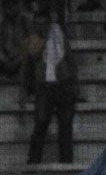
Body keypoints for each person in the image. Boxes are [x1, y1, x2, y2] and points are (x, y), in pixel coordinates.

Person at [24, 9, 78, 165]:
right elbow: (30, 61)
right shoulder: (31, 39)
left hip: (64, 85)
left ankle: (66, 161)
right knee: (40, 122)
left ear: (49, 23)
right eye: (38, 23)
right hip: (44, 87)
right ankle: (34, 160)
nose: (41, 26)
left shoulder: (60, 37)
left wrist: (75, 83)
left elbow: (71, 60)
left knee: (65, 124)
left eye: (44, 23)